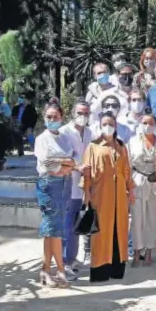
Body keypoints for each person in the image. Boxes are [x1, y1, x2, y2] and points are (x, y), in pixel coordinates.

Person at [81, 112, 136, 282]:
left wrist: (130, 190)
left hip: (119, 196)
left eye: (111, 123)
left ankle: (116, 269)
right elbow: (87, 172)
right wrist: (87, 193)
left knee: (119, 230)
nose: (108, 126)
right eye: (105, 123)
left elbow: (127, 171)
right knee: (101, 231)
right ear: (99, 125)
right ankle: (100, 270)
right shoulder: (93, 146)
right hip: (101, 195)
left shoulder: (121, 146)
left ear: (116, 126)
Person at [34, 100, 80, 288]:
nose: (53, 119)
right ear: (44, 118)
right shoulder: (41, 139)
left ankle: (45, 270)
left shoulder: (65, 138)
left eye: (56, 117)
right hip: (48, 186)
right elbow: (46, 163)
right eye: (49, 117)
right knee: (53, 229)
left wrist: (63, 165)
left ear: (62, 117)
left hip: (65, 185)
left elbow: (74, 159)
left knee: (54, 230)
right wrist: (64, 164)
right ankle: (60, 270)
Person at [59, 101, 92, 279]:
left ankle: (71, 260)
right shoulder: (64, 132)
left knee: (77, 227)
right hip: (68, 186)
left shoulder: (89, 132)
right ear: (73, 112)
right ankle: (62, 264)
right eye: (80, 112)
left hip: (83, 188)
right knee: (66, 227)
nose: (83, 116)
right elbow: (63, 158)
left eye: (86, 113)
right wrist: (77, 166)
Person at [128, 114, 156, 267]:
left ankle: (148, 251)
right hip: (137, 182)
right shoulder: (132, 142)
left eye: (151, 123)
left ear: (155, 125)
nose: (148, 125)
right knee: (137, 219)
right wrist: (128, 186)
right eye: (145, 122)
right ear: (140, 124)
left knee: (152, 218)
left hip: (155, 184)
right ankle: (136, 252)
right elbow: (127, 164)